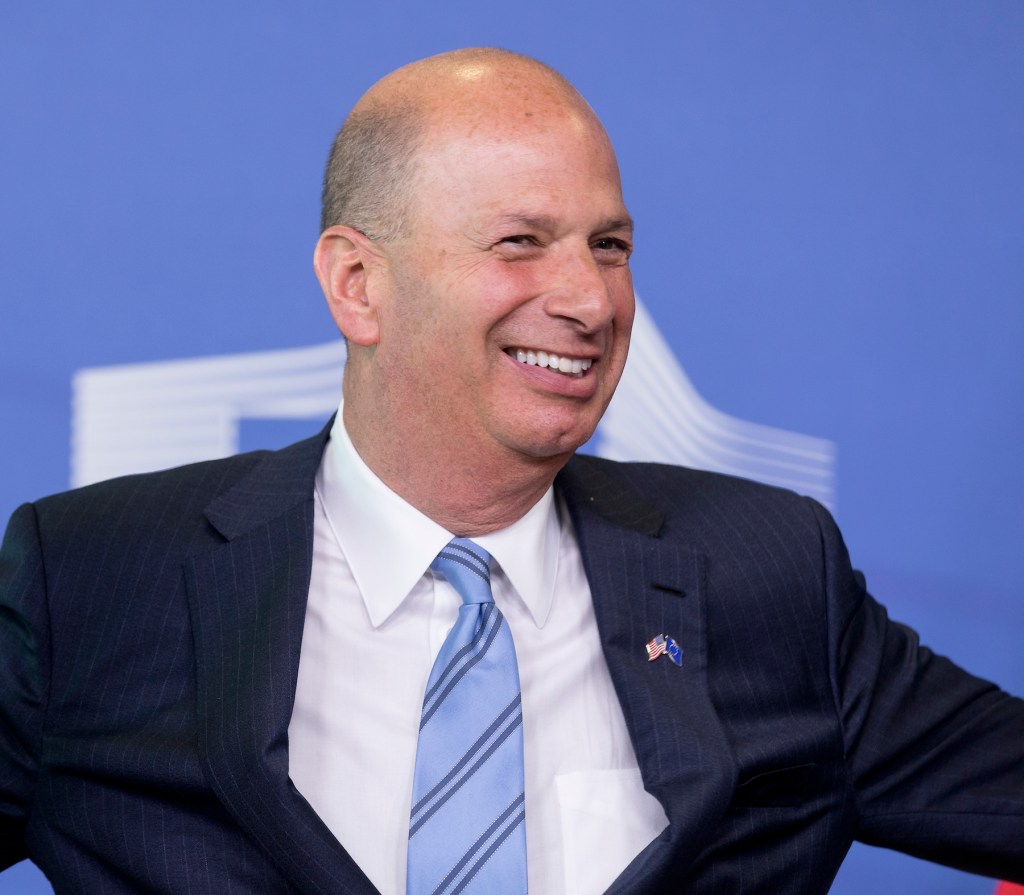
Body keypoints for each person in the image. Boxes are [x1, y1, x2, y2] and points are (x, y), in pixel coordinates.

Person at [1, 47, 1022, 895]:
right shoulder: (93, 577)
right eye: (520, 243)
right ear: (357, 284)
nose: (589, 299)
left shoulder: (768, 572)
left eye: (609, 244)